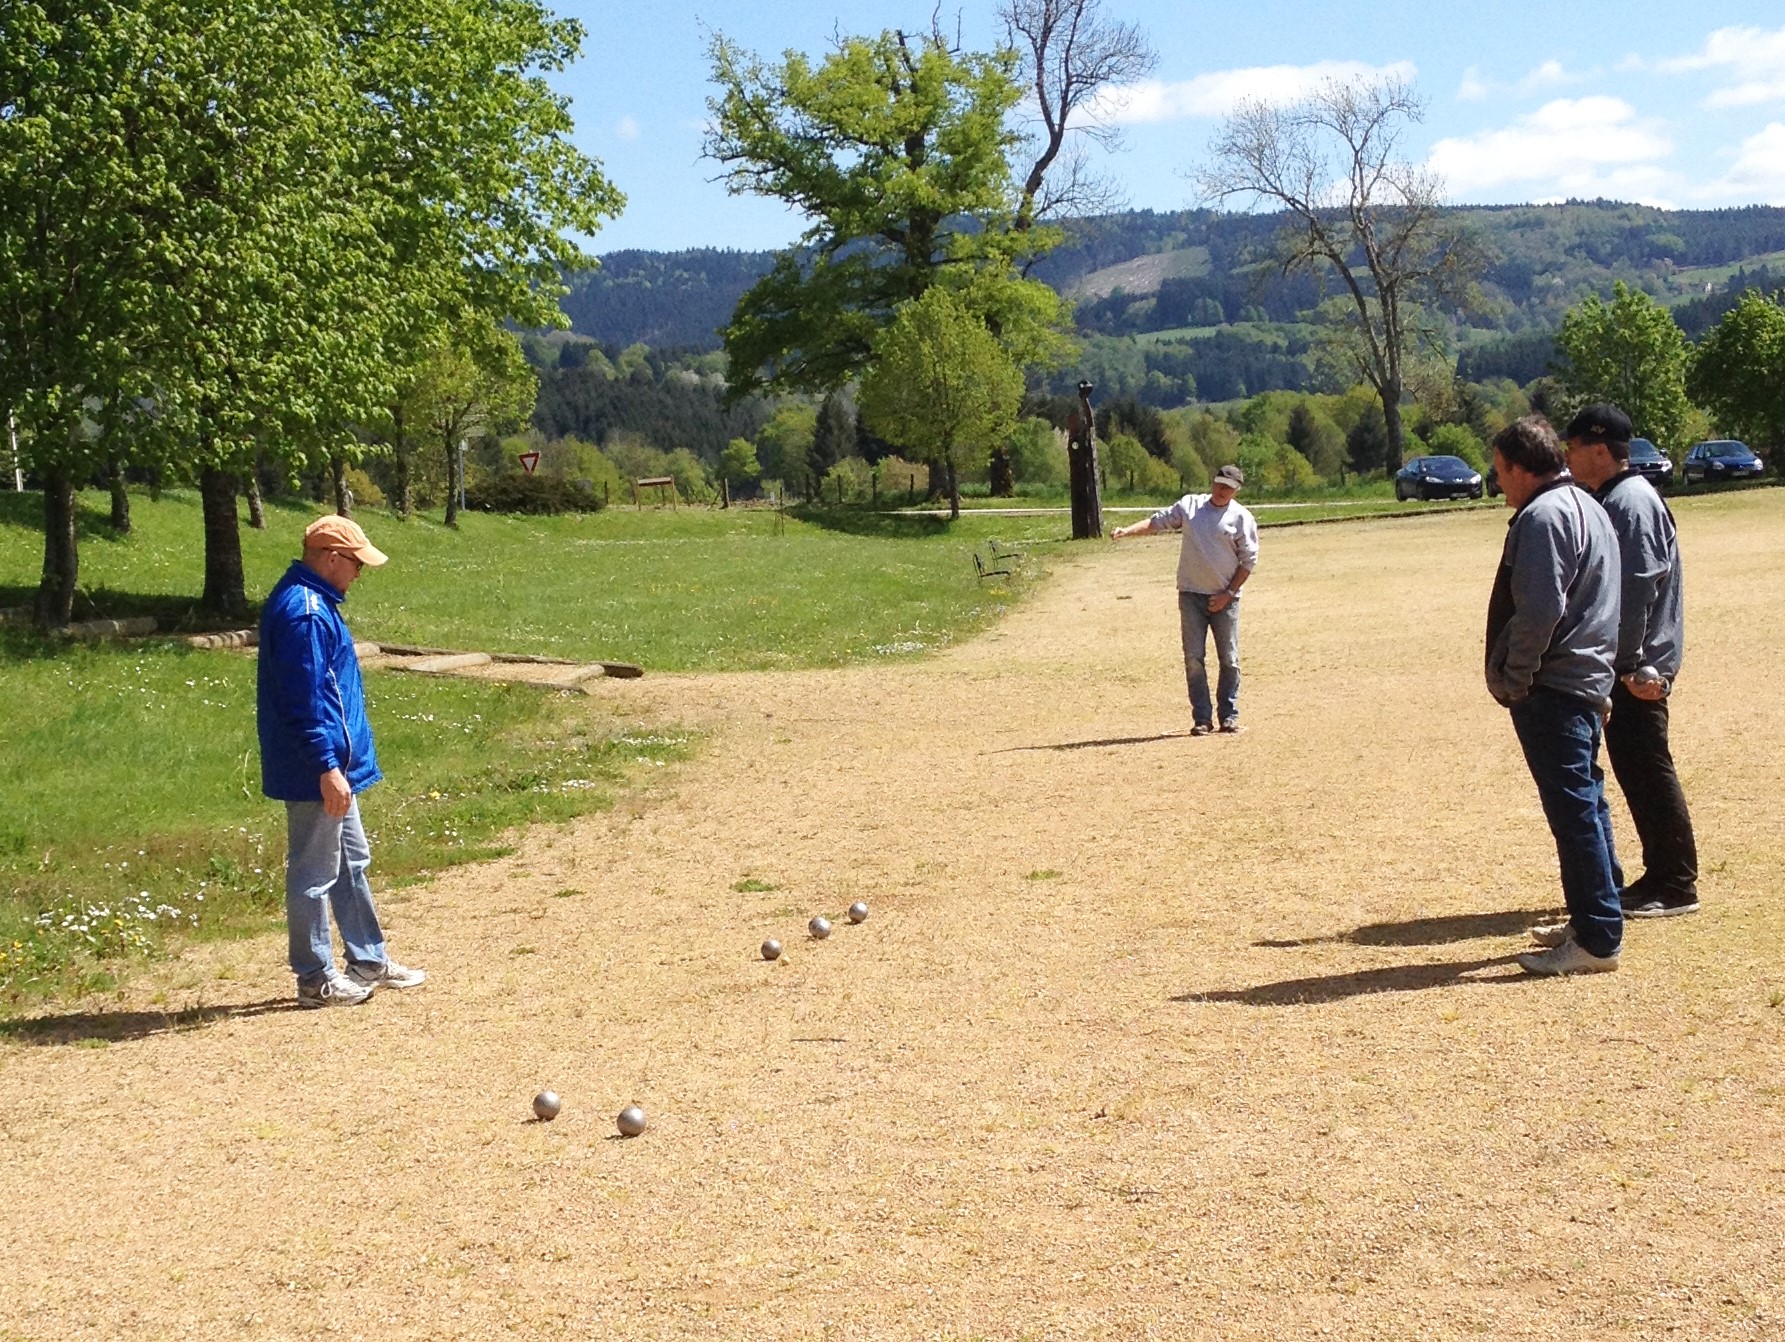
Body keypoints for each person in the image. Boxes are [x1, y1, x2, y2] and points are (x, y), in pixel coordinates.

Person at [258, 515, 426, 1007]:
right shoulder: (305, 613)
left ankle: (367, 960)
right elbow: (304, 702)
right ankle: (315, 979)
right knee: (313, 874)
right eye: (356, 565)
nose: (359, 574)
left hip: (335, 766)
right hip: (317, 768)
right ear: (331, 559)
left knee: (352, 861)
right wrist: (326, 768)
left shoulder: (318, 604)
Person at [1484, 418, 1624, 975]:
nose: (1499, 484)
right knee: (1588, 803)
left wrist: (1517, 678)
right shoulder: (1590, 505)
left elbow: (1540, 610)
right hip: (1586, 681)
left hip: (1556, 687)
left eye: (1500, 472)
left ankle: (1596, 940)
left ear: (1521, 467)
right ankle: (1596, 916)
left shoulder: (1543, 516)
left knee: (1574, 813)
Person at [1561, 403, 1699, 918]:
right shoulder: (1616, 497)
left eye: (1573, 449)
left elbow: (1637, 589)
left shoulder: (1632, 502)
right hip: (1627, 665)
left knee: (1647, 768)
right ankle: (1660, 875)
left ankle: (1676, 884)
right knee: (1636, 769)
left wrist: (1630, 665)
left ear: (1600, 450)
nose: (1567, 458)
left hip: (1636, 671)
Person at [1111, 463, 1259, 734]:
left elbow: (1248, 561)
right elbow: (1158, 521)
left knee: (1230, 659)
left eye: (1228, 487)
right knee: (1193, 658)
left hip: (1225, 598)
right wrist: (1127, 531)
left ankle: (1229, 715)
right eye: (1218, 484)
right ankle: (1202, 719)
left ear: (1237, 491)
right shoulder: (1191, 506)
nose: (1221, 490)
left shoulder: (1241, 518)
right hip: (1191, 595)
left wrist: (1227, 594)